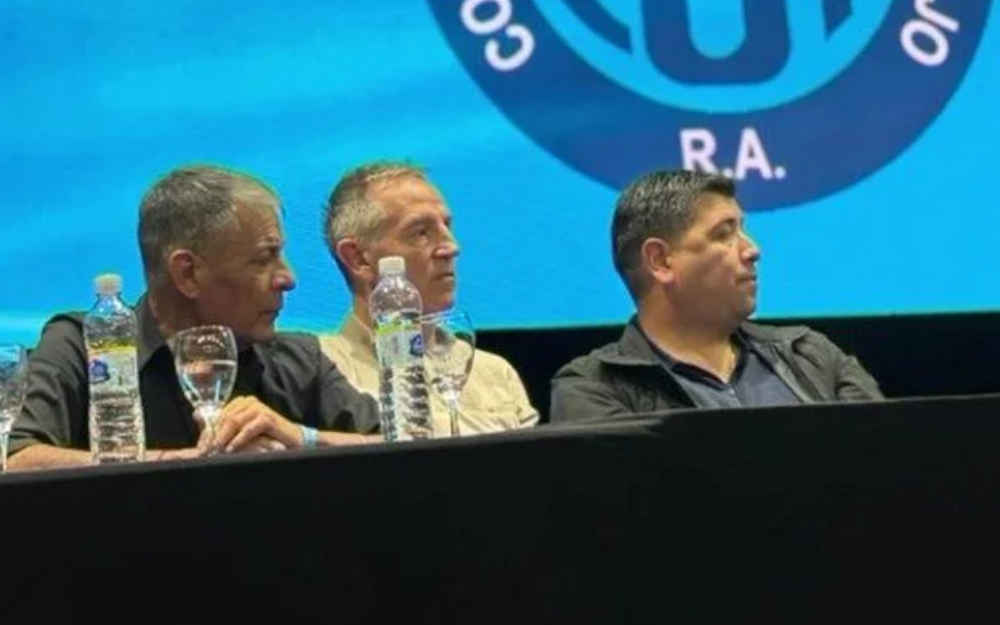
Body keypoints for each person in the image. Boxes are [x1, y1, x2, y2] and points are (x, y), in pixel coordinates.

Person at [8, 165, 378, 470]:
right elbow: (17, 458)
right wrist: (190, 465)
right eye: (264, 258)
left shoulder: (300, 362)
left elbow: (400, 445)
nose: (288, 278)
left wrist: (302, 437)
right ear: (187, 273)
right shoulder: (84, 348)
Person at [550, 169, 882, 422]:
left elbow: (884, 461)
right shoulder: (593, 388)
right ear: (660, 261)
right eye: (724, 234)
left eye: (742, 230)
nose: (752, 249)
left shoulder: (811, 354)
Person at [320, 161, 538, 434]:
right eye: (421, 232)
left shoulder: (494, 373)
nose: (451, 247)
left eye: (447, 226)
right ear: (358, 258)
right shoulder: (324, 372)